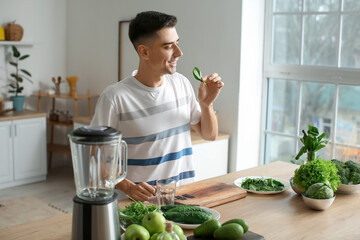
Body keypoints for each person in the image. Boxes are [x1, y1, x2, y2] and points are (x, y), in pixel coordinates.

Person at [91, 11, 224, 201]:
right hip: (139, 206)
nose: (179, 52)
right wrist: (129, 187)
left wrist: (207, 104)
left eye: (178, 43)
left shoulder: (182, 84)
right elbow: (96, 157)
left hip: (183, 199)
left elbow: (209, 134)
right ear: (144, 51)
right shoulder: (114, 97)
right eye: (169, 46)